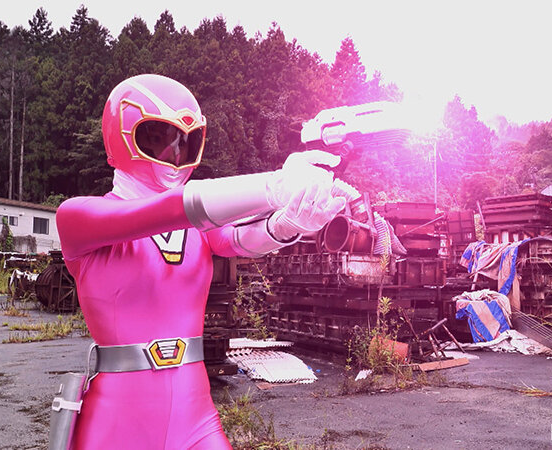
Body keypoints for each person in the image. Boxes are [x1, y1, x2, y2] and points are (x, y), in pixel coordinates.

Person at [56, 73, 346, 449]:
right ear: (123, 135)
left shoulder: (198, 229)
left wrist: (287, 223)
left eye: (185, 142)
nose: (174, 155)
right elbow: (167, 211)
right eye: (157, 138)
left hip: (195, 414)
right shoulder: (79, 217)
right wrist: (274, 186)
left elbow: (242, 238)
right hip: (117, 420)